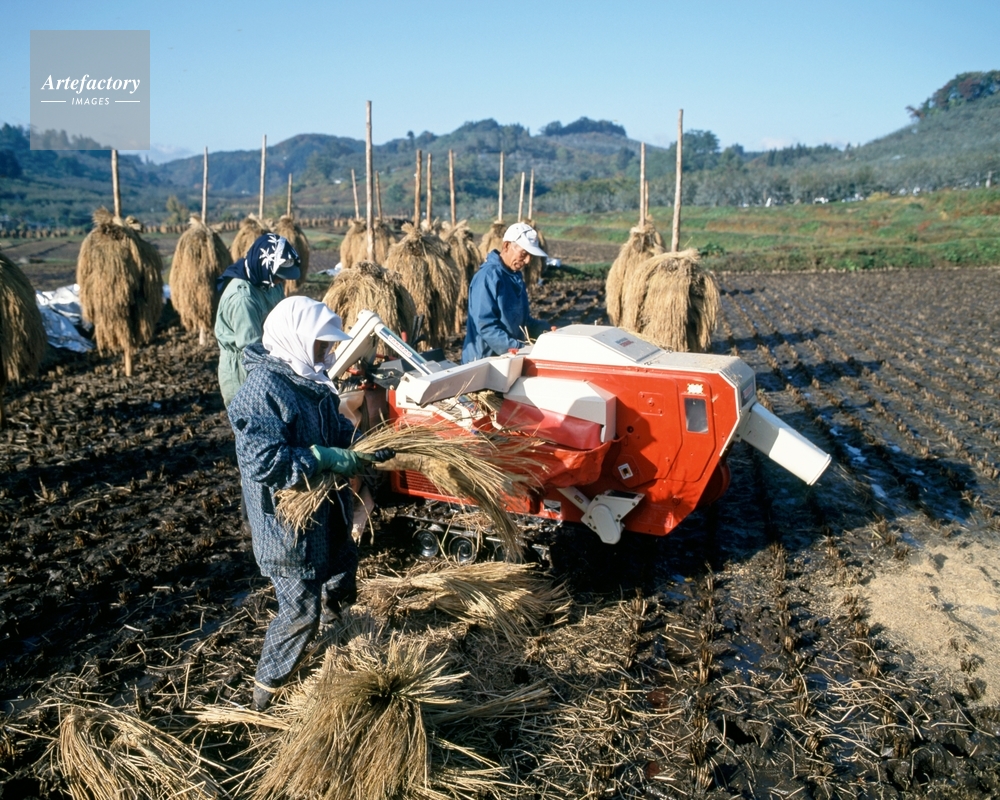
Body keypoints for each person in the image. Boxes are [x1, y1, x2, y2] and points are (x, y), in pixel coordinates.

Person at [227, 296, 393, 711]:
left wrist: (366, 447)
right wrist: (321, 457)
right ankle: (265, 693)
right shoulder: (262, 391)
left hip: (326, 512)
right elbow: (263, 462)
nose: (328, 352)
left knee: (341, 575)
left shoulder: (312, 380)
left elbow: (339, 430)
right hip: (287, 526)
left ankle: (339, 643)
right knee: (301, 611)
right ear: (296, 339)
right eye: (322, 344)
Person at [215, 233, 302, 407]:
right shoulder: (243, 299)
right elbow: (252, 349)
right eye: (278, 276)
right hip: (244, 367)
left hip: (269, 358)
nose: (280, 281)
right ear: (265, 266)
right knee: (251, 414)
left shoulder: (269, 282)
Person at [462, 222, 553, 363]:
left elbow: (523, 322)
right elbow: (486, 326)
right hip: (484, 362)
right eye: (524, 254)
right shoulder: (487, 278)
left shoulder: (514, 278)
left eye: (530, 255)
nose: (527, 261)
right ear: (506, 246)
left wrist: (548, 332)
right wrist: (518, 348)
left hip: (508, 359)